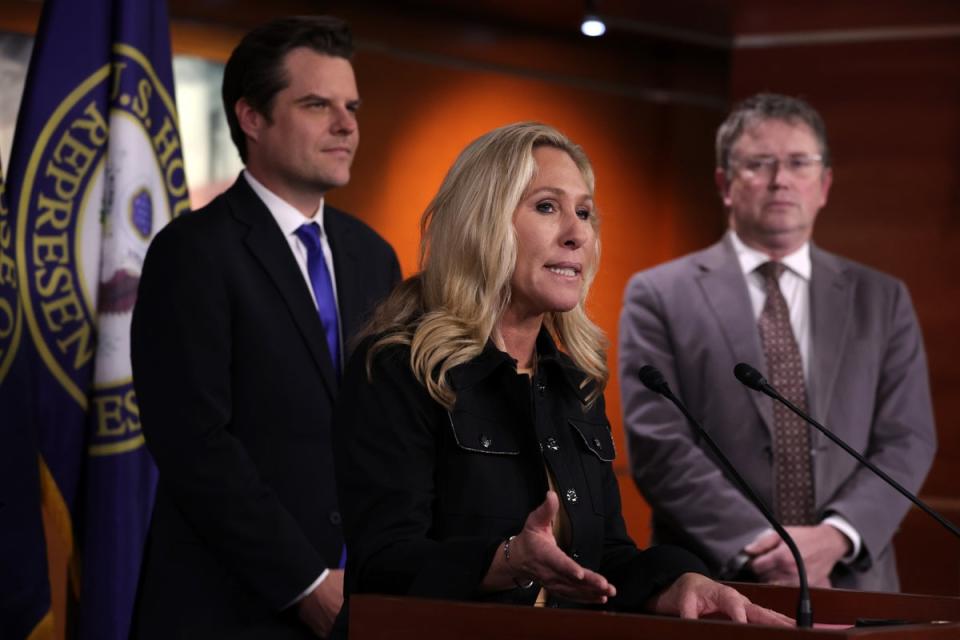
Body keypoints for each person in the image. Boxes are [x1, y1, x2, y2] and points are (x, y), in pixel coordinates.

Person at [332, 122, 792, 627]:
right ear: (481, 221)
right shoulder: (402, 366)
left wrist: (679, 581)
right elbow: (382, 565)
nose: (576, 234)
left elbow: (604, 559)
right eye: (547, 207)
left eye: (585, 212)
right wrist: (509, 559)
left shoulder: (572, 380)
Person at [130, 16, 400, 638]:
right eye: (317, 105)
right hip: (226, 605)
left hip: (360, 599)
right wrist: (305, 581)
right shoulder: (192, 252)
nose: (347, 124)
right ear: (251, 118)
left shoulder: (374, 256)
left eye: (352, 106)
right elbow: (194, 443)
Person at [619, 93, 936, 592]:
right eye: (759, 164)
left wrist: (835, 537)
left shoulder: (882, 298)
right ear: (725, 183)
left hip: (852, 579)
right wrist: (768, 546)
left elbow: (908, 437)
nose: (780, 179)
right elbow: (659, 443)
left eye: (798, 163)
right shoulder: (659, 294)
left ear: (824, 184)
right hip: (715, 582)